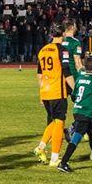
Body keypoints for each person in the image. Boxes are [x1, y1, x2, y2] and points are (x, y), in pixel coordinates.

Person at [57, 55, 92, 173]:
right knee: (76, 138)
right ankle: (63, 162)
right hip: (86, 112)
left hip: (78, 110)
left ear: (84, 66)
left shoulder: (80, 78)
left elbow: (74, 96)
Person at [32, 26, 72, 167]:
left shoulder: (43, 50)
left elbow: (39, 74)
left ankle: (41, 147)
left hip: (46, 91)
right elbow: (66, 72)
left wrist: (41, 93)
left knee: (54, 122)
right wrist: (76, 89)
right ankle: (54, 158)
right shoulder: (62, 50)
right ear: (64, 34)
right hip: (57, 91)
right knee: (59, 123)